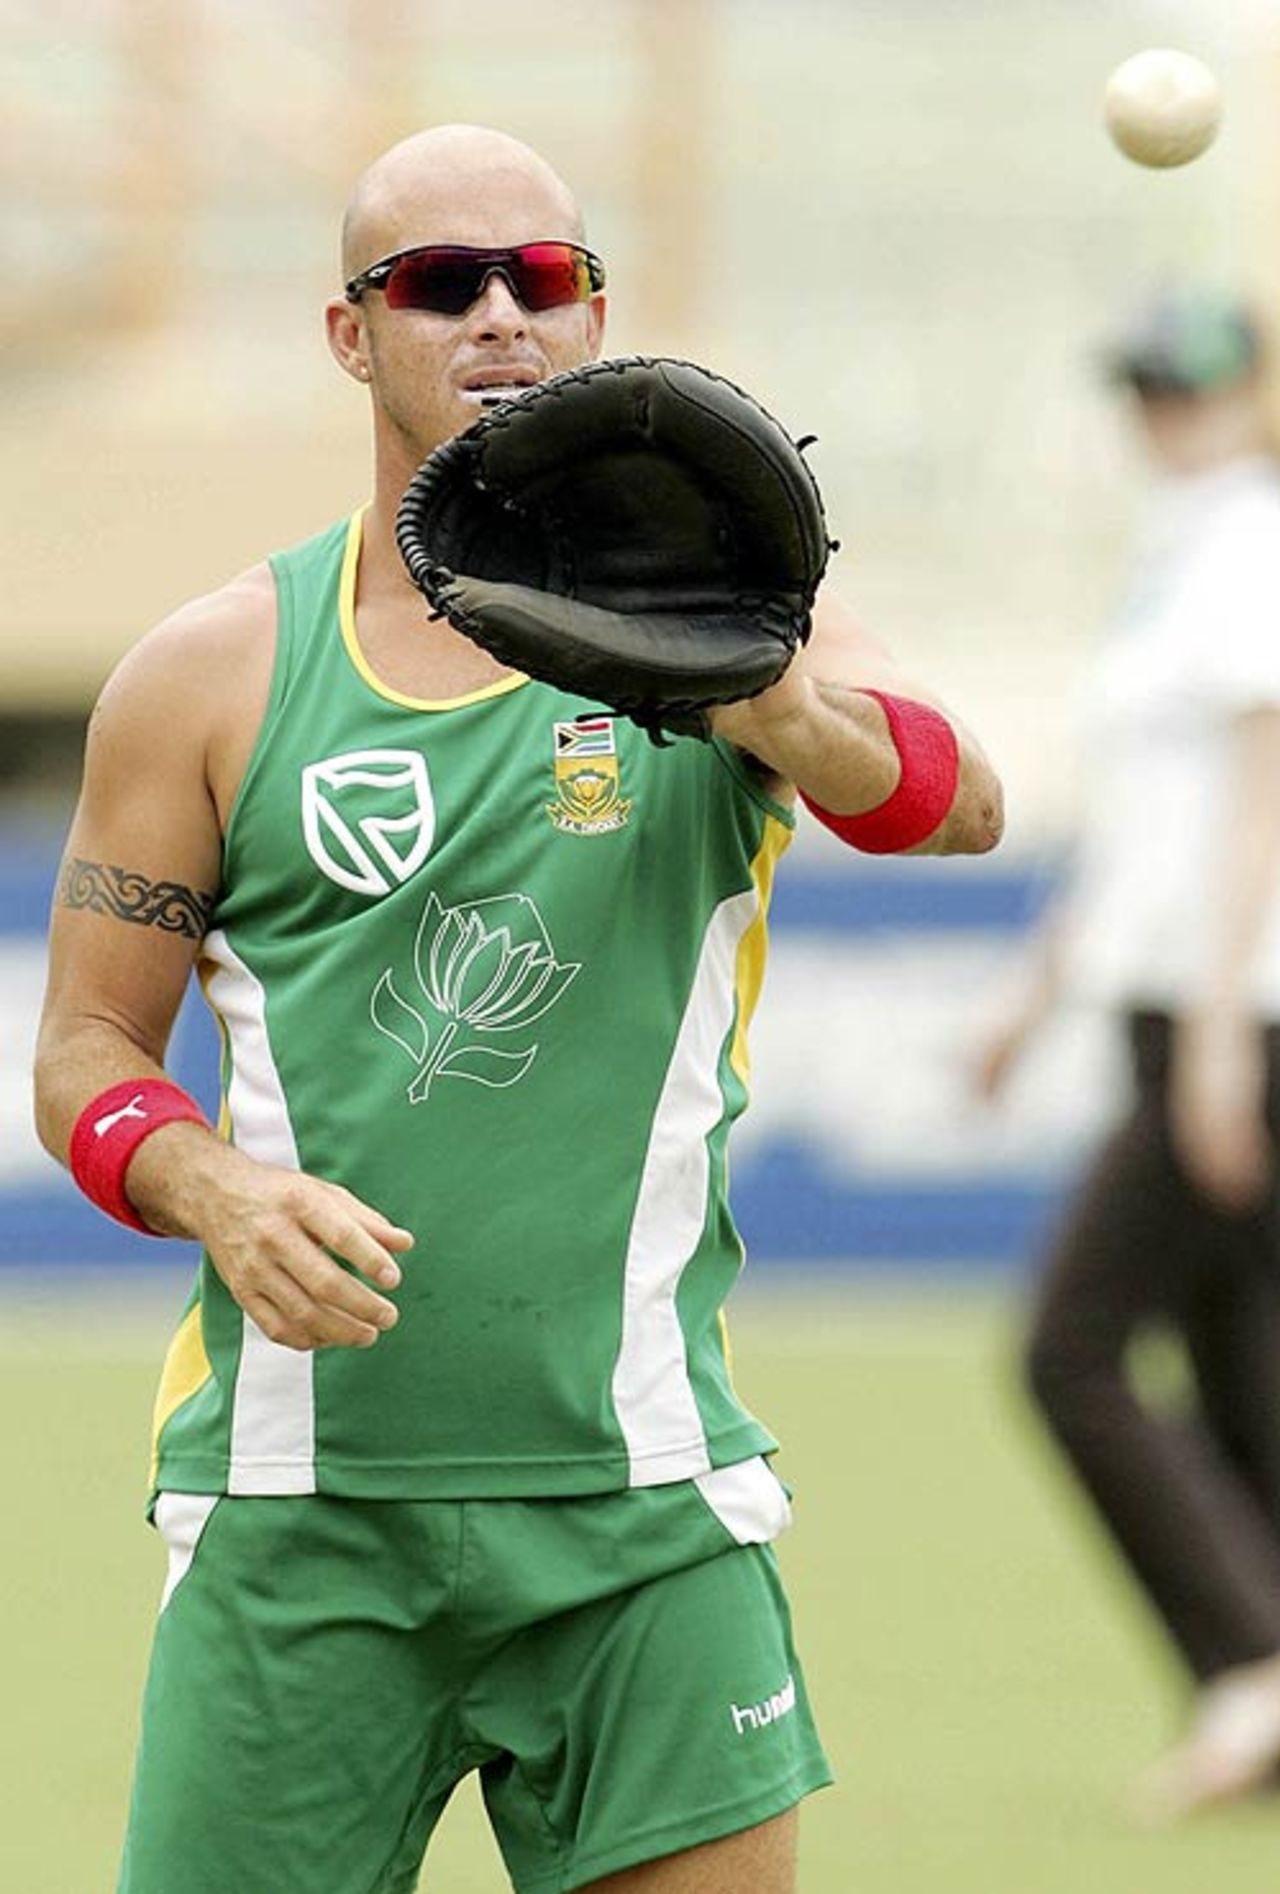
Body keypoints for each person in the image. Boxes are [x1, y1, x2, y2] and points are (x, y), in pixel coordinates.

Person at [35, 123, 1002, 1894]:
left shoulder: (743, 618)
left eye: (537, 279)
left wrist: (769, 699)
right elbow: (87, 1057)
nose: (495, 315)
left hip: (644, 1510)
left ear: (594, 311)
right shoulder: (211, 669)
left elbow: (953, 801)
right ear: (352, 334)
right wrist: (217, 1189)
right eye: (436, 282)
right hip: (296, 1516)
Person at [978, 285, 1280, 1825]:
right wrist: (1037, 999)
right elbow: (1135, 833)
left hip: (1246, 1019)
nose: (1164, 415)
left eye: (1187, 389)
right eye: (1146, 391)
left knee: (1069, 1346)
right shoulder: (1174, 561)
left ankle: (1249, 1665)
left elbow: (1259, 796)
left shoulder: (1252, 541)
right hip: (1186, 1013)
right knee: (1243, 1370)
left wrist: (1223, 1039)